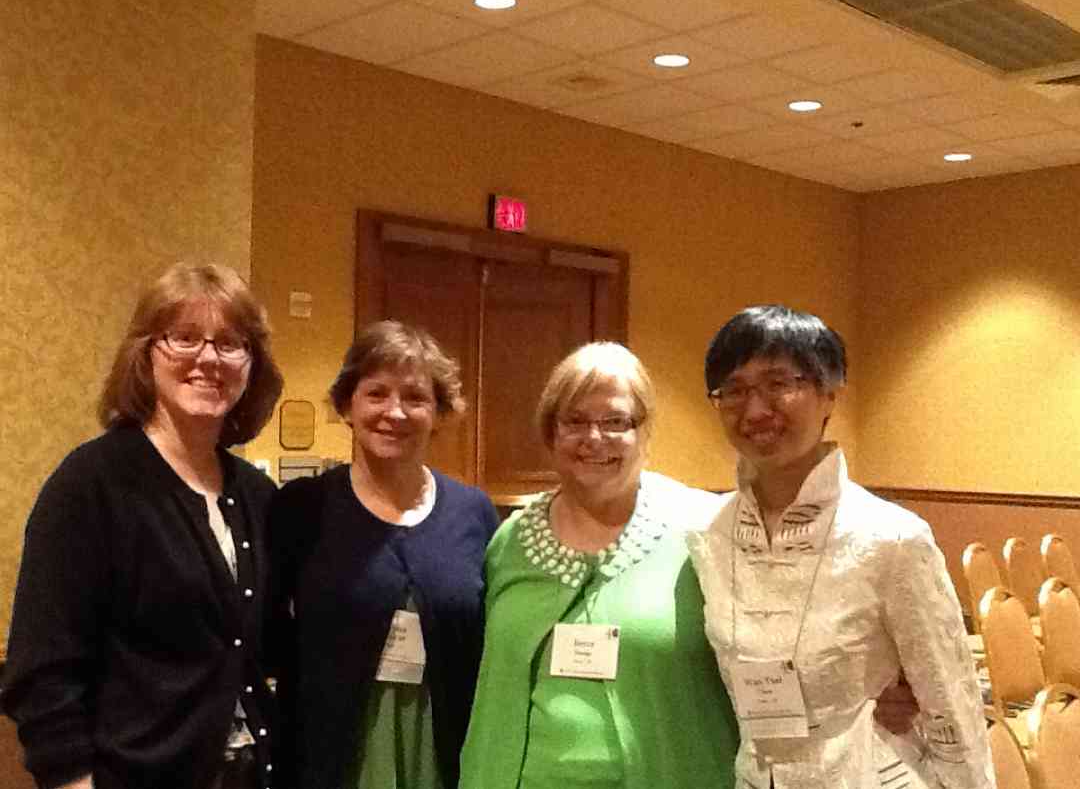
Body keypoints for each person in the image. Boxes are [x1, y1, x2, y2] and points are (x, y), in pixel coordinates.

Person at [2, 263, 284, 789]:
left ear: (252, 364)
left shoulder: (256, 496)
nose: (208, 358)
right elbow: (42, 671)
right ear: (145, 354)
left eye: (230, 343)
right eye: (183, 338)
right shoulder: (92, 484)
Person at [689, 305, 994, 788]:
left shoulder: (892, 538)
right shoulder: (707, 534)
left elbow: (951, 704)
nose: (755, 409)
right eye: (735, 389)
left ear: (829, 392)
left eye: (778, 383)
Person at [459, 342, 739, 789]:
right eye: (575, 420)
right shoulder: (510, 541)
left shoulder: (705, 529)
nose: (594, 438)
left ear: (644, 431)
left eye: (615, 422)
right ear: (550, 432)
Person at [268, 320, 499, 789]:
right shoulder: (303, 508)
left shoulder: (473, 513)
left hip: (443, 753)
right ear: (347, 405)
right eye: (376, 393)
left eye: (415, 397)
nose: (394, 412)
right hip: (329, 759)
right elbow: (265, 631)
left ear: (439, 412)